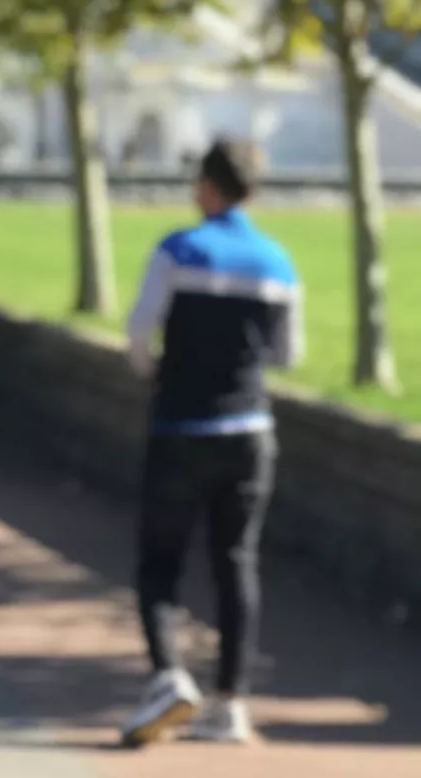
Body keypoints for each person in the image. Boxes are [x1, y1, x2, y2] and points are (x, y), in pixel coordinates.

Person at [119, 139, 300, 748]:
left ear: (207, 185)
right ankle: (230, 702)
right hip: (250, 432)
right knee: (235, 563)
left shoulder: (178, 248)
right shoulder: (277, 262)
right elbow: (288, 353)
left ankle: (168, 675)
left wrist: (155, 372)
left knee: (159, 562)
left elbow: (139, 332)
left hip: (181, 427)